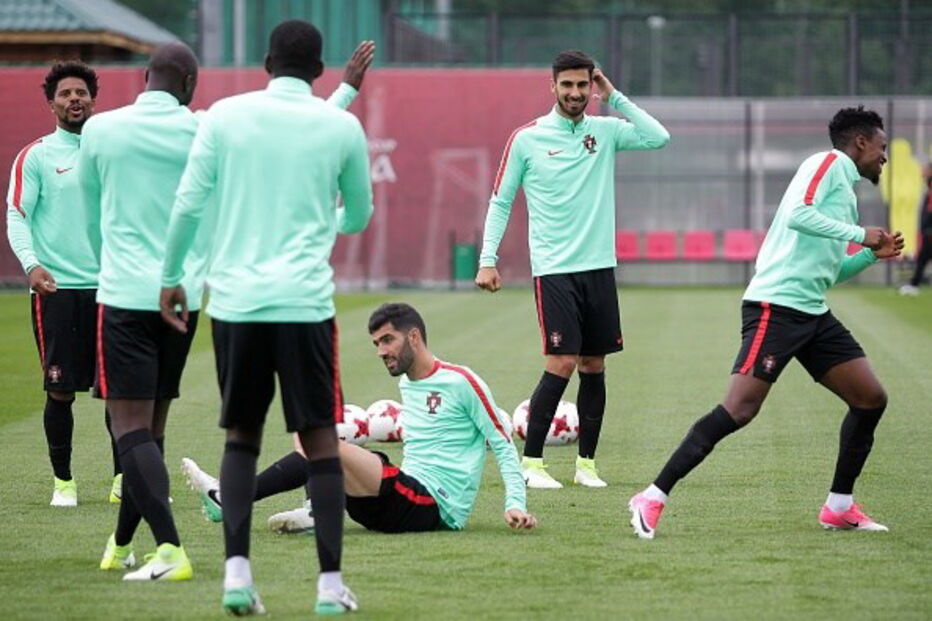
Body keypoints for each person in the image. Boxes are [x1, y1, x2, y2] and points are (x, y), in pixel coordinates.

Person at [160, 20, 373, 615]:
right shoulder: (341, 126)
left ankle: (235, 577)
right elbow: (357, 216)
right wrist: (319, 221)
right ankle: (329, 588)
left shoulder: (224, 117)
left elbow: (188, 200)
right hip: (304, 305)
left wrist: (171, 275)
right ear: (320, 69)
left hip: (235, 304)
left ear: (265, 61)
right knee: (320, 440)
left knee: (242, 438)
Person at [628, 106, 904, 540]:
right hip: (774, 307)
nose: (884, 158)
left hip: (811, 311)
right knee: (740, 409)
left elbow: (828, 273)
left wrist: (871, 253)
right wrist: (860, 235)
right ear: (861, 143)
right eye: (882, 148)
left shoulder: (846, 196)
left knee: (870, 398)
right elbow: (797, 214)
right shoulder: (827, 162)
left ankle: (839, 506)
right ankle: (652, 495)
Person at [475, 50, 670, 489]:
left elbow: (659, 137)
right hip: (554, 270)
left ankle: (586, 465)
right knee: (561, 361)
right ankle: (532, 464)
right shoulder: (526, 138)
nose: (576, 93)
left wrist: (614, 95)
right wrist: (488, 259)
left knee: (594, 365)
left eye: (583, 85)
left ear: (591, 86)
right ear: (553, 87)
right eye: (568, 85)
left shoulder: (605, 131)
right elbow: (501, 201)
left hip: (599, 268)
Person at [180, 302, 537, 537]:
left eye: (388, 340)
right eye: (376, 343)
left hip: (435, 507)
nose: (381, 351)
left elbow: (504, 445)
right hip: (395, 499)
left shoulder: (461, 381)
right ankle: (315, 509)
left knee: (319, 442)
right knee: (308, 433)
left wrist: (514, 504)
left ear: (414, 336)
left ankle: (230, 497)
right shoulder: (406, 385)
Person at [78, 43, 205, 581]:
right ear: (190, 84)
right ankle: (122, 541)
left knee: (126, 428)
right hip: (183, 297)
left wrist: (110, 267)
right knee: (150, 431)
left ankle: (171, 549)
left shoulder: (101, 131)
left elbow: (90, 216)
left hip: (126, 294)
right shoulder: (202, 131)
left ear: (144, 76)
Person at [5, 61, 124, 507]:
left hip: (112, 288)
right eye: (65, 94)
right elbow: (18, 214)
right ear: (51, 103)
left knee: (118, 388)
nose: (74, 99)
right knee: (59, 389)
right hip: (56, 290)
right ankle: (64, 482)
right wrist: (32, 266)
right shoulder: (36, 155)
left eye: (81, 93)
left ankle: (122, 480)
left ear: (93, 99)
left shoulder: (111, 151)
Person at [898, 165, 932, 296]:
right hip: (927, 232)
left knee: (922, 259)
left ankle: (913, 285)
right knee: (922, 260)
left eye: (926, 170)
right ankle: (913, 285)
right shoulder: (928, 187)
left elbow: (930, 210)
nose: (922, 172)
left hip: (929, 233)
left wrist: (927, 227)